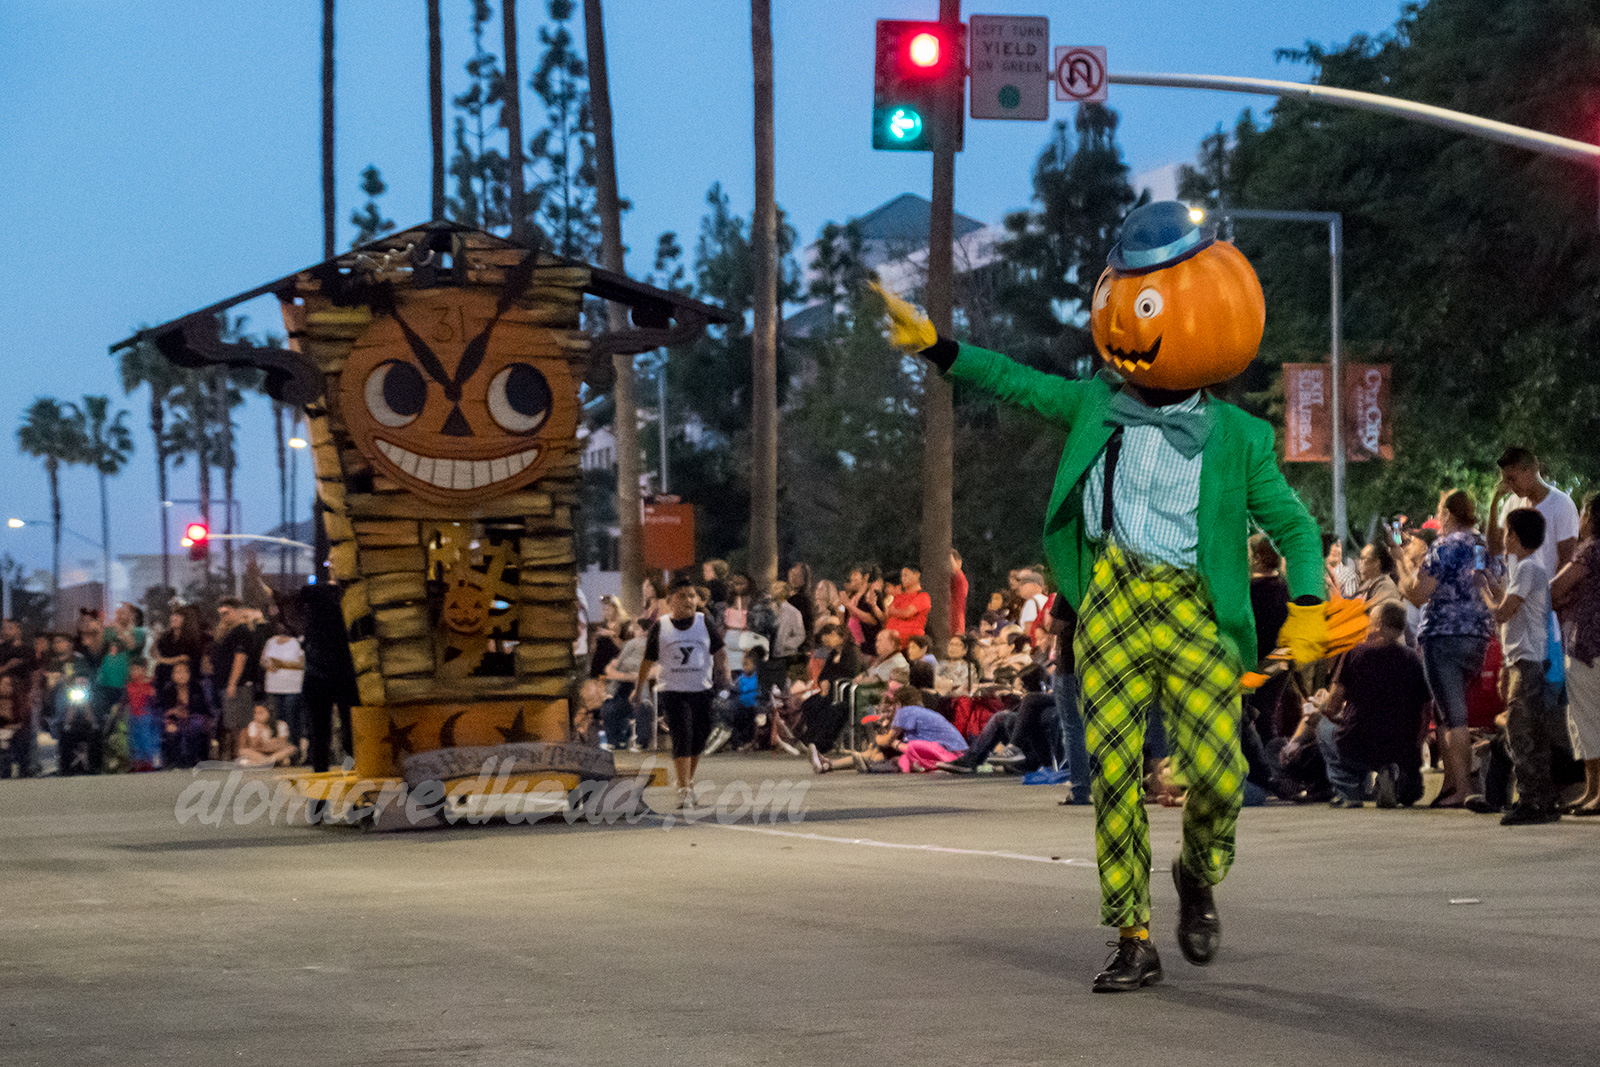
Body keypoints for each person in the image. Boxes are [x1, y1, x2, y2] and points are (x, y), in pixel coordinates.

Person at [876, 199, 1326, 992]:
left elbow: (1292, 525)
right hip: (1113, 602)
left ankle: (1196, 871)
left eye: (1144, 303)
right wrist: (938, 348)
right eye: (1116, 299)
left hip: (1194, 610)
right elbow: (1014, 381)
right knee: (1113, 773)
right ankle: (1132, 934)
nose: (1123, 321)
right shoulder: (1094, 404)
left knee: (1221, 777)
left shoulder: (1240, 439)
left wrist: (1311, 600)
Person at [1401, 489, 1494, 808]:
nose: (1438, 518)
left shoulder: (1444, 546)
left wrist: (1404, 578)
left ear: (1449, 515)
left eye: (1440, 512)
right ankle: (1453, 782)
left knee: (1453, 715)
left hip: (1443, 634)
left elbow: (1418, 594)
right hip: (1478, 633)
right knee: (1450, 713)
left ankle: (1463, 789)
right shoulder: (1483, 545)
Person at [1477, 508, 1559, 824]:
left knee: (1522, 733)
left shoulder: (1527, 568)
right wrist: (1493, 588)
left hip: (1527, 661)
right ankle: (1543, 800)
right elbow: (1511, 604)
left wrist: (1485, 594)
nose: (1504, 537)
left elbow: (1503, 612)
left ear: (1516, 535)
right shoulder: (1527, 570)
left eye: (1508, 532)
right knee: (1531, 733)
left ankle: (1531, 801)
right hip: (1525, 660)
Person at [1315, 602, 1430, 808]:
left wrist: (1321, 705)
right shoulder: (1413, 660)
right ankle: (1392, 776)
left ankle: (1349, 788)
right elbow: (1425, 711)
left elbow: (1332, 706)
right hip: (1402, 746)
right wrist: (1416, 745)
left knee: (1324, 727)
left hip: (1359, 741)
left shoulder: (1354, 654)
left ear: (1378, 624)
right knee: (1411, 793)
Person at [635, 577, 730, 809]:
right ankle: (684, 789)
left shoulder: (703, 621)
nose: (688, 600)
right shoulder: (661, 626)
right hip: (674, 691)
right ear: (670, 602)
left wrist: (724, 674)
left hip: (702, 689)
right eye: (682, 596)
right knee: (683, 735)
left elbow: (720, 651)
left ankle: (686, 781)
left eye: (691, 596)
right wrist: (638, 690)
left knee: (699, 737)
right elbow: (647, 661)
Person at [1552, 493, 1600, 815]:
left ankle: (1595, 791)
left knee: (1587, 719)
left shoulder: (1591, 549)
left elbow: (1555, 587)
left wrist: (1566, 601)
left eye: (1583, 513)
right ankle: (1592, 790)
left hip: (1585, 643)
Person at [261, 625, 307, 765]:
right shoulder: (271, 642)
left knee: (291, 718)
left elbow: (302, 663)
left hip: (292, 688)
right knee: (279, 720)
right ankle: (283, 751)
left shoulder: (298, 642)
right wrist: (269, 665)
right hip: (275, 687)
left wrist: (282, 664)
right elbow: (263, 661)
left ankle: (295, 749)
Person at [160, 660, 212, 769]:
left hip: (194, 719)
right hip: (176, 720)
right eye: (178, 672)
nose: (182, 675)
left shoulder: (196, 688)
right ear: (173, 675)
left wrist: (188, 715)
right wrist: (173, 712)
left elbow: (202, 709)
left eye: (184, 672)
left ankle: (193, 759)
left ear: (189, 674)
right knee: (171, 729)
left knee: (195, 725)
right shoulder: (168, 690)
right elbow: (163, 711)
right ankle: (176, 761)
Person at [883, 564, 931, 643]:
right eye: (902, 576)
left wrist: (893, 611)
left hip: (910, 642)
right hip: (891, 641)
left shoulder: (922, 596)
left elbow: (907, 613)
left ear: (917, 575)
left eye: (906, 575)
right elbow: (888, 614)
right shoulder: (899, 596)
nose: (903, 579)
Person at [237, 703, 296, 767]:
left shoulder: (281, 724)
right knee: (243, 751)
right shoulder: (253, 725)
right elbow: (254, 746)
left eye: (260, 713)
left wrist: (265, 746)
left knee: (291, 749)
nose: (256, 716)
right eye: (255, 713)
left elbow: (282, 745)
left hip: (276, 754)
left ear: (269, 714)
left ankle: (262, 763)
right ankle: (268, 762)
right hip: (260, 754)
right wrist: (259, 732)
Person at [843, 563, 885, 651]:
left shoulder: (873, 594)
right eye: (852, 574)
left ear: (865, 577)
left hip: (869, 646)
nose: (852, 577)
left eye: (855, 574)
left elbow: (873, 620)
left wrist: (850, 606)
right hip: (853, 644)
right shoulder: (853, 596)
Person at [934, 633, 978, 698]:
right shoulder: (941, 664)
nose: (953, 647)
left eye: (957, 645)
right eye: (951, 644)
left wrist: (945, 683)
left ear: (965, 650)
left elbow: (961, 686)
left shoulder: (968, 667)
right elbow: (933, 680)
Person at [950, 548, 969, 637]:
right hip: (950, 619)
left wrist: (946, 551)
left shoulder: (960, 578)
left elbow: (954, 568)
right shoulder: (953, 578)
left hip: (956, 621)